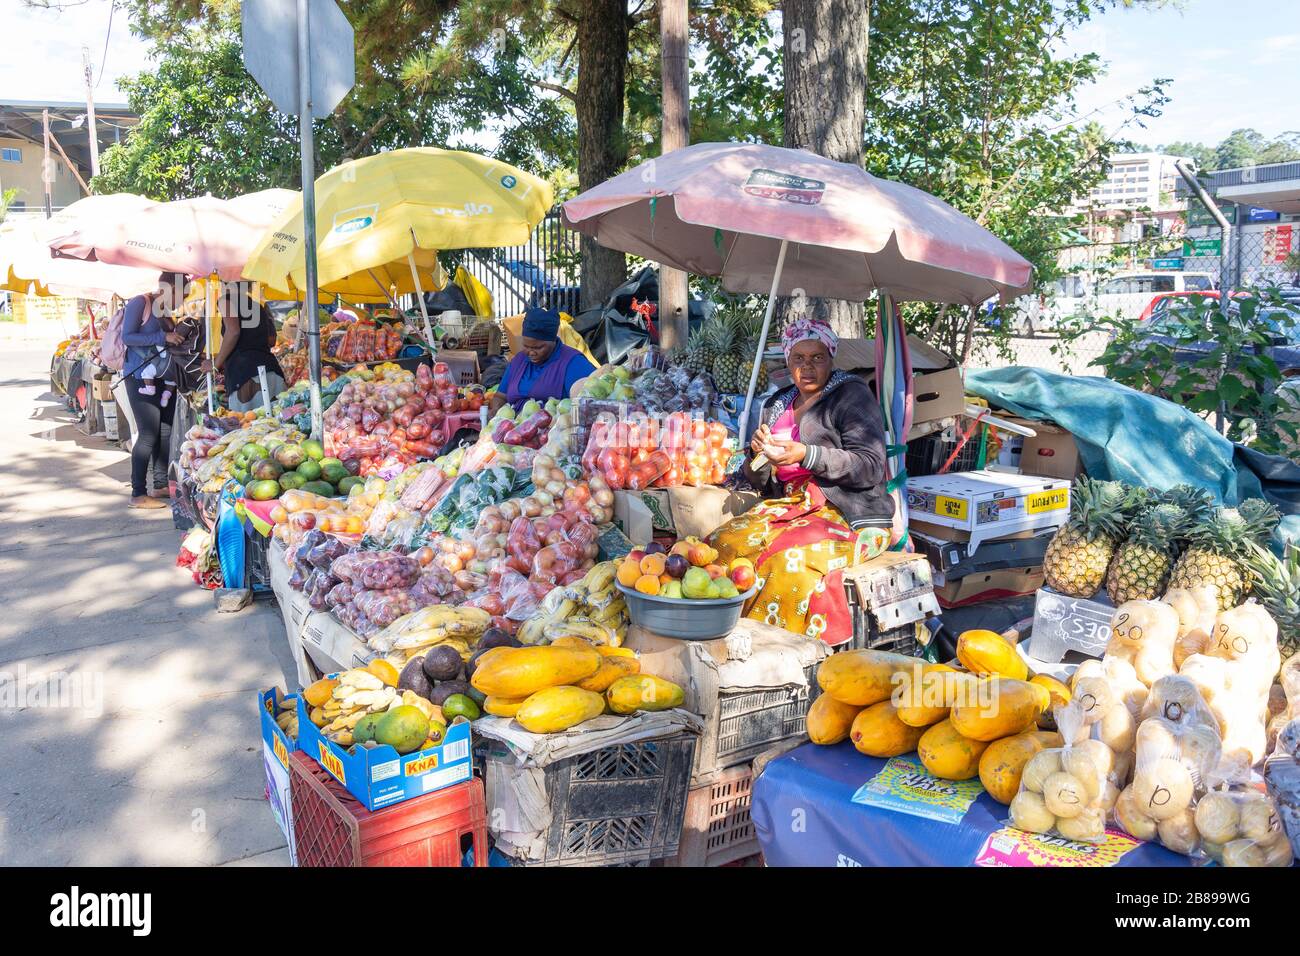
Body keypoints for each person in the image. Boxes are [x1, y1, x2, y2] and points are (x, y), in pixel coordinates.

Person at [708, 317, 894, 645]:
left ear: (831, 358)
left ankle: (776, 654)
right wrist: (757, 455)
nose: (807, 367)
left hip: (849, 513)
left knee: (784, 564)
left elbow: (871, 466)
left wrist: (806, 455)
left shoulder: (851, 395)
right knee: (722, 543)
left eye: (817, 358)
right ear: (788, 361)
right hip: (790, 506)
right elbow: (761, 482)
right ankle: (719, 638)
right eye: (798, 358)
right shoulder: (777, 403)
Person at [121, 272, 189, 510]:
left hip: (162, 377)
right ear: (169, 287)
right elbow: (128, 337)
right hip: (139, 377)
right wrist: (164, 335)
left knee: (165, 431)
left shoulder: (164, 311)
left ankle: (160, 484)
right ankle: (138, 493)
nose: (184, 298)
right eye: (183, 292)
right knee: (148, 434)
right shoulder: (140, 303)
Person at [488, 306, 596, 413]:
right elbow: (500, 397)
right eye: (526, 346)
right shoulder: (519, 360)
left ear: (553, 341)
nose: (531, 352)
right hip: (513, 427)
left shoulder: (573, 363)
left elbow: (589, 404)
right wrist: (496, 410)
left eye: (538, 347)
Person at [204, 281, 286, 413]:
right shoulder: (257, 307)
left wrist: (215, 364)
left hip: (246, 379)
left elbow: (233, 331)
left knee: (246, 429)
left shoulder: (226, 299)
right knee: (277, 429)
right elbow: (270, 341)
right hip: (271, 372)